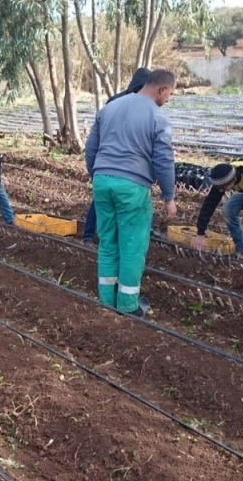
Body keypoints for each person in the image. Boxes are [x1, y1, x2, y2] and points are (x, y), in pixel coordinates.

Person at [85, 69, 178, 317]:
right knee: (132, 245)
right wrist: (169, 197)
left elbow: (91, 148)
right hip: (132, 186)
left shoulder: (109, 108)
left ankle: (106, 299)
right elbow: (164, 160)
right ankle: (127, 305)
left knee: (108, 241)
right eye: (170, 93)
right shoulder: (158, 118)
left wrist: (97, 176)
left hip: (102, 180)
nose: (168, 99)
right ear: (161, 89)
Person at [82, 67, 151, 245]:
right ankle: (95, 236)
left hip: (105, 166)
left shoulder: (114, 102)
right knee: (121, 204)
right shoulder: (141, 105)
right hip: (126, 167)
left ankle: (91, 236)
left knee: (102, 200)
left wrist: (94, 170)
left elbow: (92, 145)